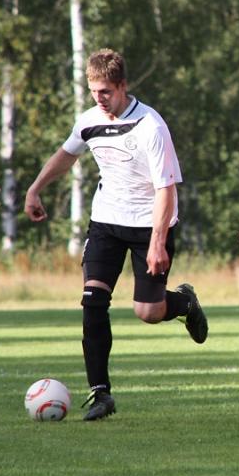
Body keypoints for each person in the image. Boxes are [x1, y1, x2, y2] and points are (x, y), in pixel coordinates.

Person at [24, 48, 208, 421]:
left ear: (123, 86)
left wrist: (157, 243)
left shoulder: (150, 126)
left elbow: (166, 190)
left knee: (148, 312)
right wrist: (35, 189)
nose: (99, 98)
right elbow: (66, 154)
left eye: (106, 91)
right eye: (94, 91)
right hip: (106, 222)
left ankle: (185, 303)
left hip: (149, 225)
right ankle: (101, 394)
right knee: (93, 300)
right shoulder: (89, 120)